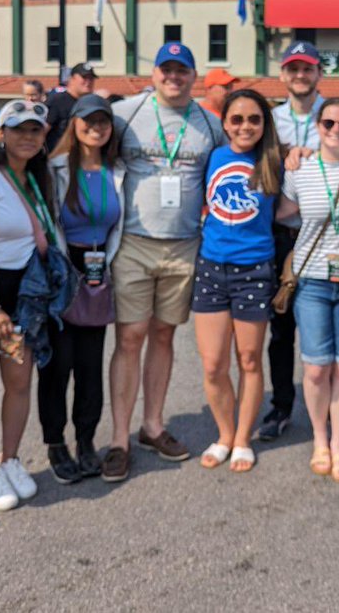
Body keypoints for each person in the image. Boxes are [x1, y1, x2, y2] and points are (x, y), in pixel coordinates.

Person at [104, 42, 224, 482]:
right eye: (166, 70)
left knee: (163, 334)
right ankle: (118, 438)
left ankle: (152, 426)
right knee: (130, 336)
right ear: (153, 74)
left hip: (185, 243)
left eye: (182, 71)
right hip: (134, 240)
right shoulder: (126, 114)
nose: (174, 77)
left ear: (194, 77)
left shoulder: (211, 123)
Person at [276, 97, 339, 483]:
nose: (336, 131)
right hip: (314, 279)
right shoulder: (299, 169)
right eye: (329, 124)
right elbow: (283, 213)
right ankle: (320, 438)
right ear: (317, 127)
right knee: (317, 367)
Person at [0, 100, 57, 511]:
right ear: (0, 134)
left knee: (19, 382)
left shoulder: (40, 175)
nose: (27, 137)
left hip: (26, 293)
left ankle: (12, 458)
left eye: (35, 130)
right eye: (18, 129)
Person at [192, 89, 282, 474]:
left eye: (254, 119)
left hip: (255, 270)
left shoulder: (275, 160)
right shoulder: (212, 157)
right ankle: (225, 433)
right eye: (237, 119)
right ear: (224, 122)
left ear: (264, 124)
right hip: (212, 267)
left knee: (248, 359)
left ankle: (243, 437)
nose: (246, 126)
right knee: (213, 364)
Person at [45, 93, 124, 482]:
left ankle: (86, 440)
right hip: (64, 269)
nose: (96, 129)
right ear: (74, 125)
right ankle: (55, 443)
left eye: (103, 122)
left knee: (91, 366)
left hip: (98, 270)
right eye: (88, 122)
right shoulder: (55, 168)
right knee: (59, 365)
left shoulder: (117, 170)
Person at [260, 39, 325, 441]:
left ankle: (329, 406)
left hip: (323, 235)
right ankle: (281, 406)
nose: (300, 76)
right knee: (281, 327)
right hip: (281, 236)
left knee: (324, 326)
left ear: (320, 73)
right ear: (283, 75)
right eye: (293, 69)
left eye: (308, 68)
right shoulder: (270, 120)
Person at [47, 63, 99, 150]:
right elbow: (43, 130)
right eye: (84, 78)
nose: (88, 82)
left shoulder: (92, 103)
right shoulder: (57, 101)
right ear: (72, 79)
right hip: (58, 156)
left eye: (91, 78)